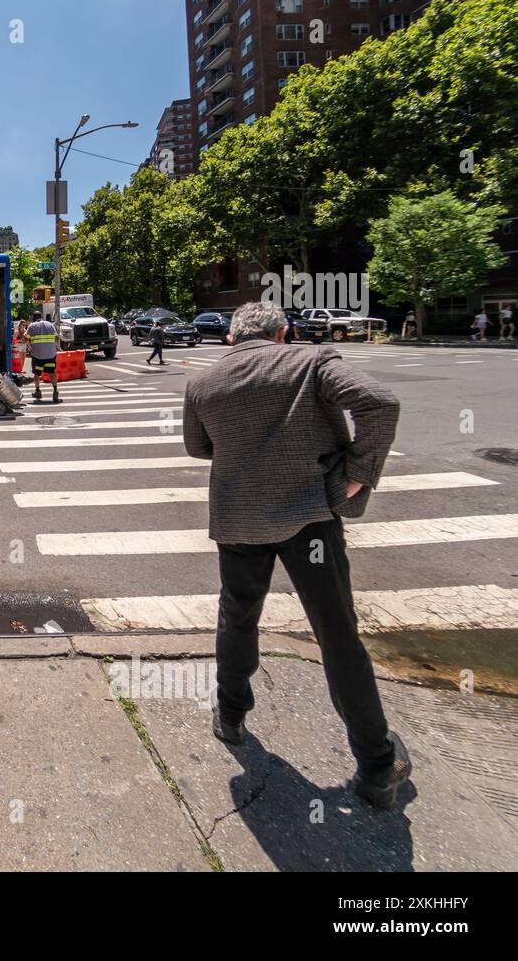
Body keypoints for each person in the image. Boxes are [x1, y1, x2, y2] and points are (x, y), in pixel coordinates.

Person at [182, 301, 411, 809]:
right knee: (336, 632)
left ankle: (231, 714)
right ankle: (376, 765)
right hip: (309, 515)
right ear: (283, 332)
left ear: (230, 338)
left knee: (238, 616)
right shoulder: (311, 361)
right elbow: (380, 403)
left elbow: (198, 448)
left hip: (239, 517)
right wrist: (356, 473)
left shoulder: (203, 383)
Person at [25, 310, 60, 404]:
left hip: (37, 356)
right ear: (41, 316)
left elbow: (26, 339)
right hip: (50, 355)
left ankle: (38, 391)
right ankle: (55, 390)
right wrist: (57, 347)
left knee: (37, 374)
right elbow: (56, 338)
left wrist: (29, 347)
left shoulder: (32, 326)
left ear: (33, 318)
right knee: (52, 372)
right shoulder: (50, 325)